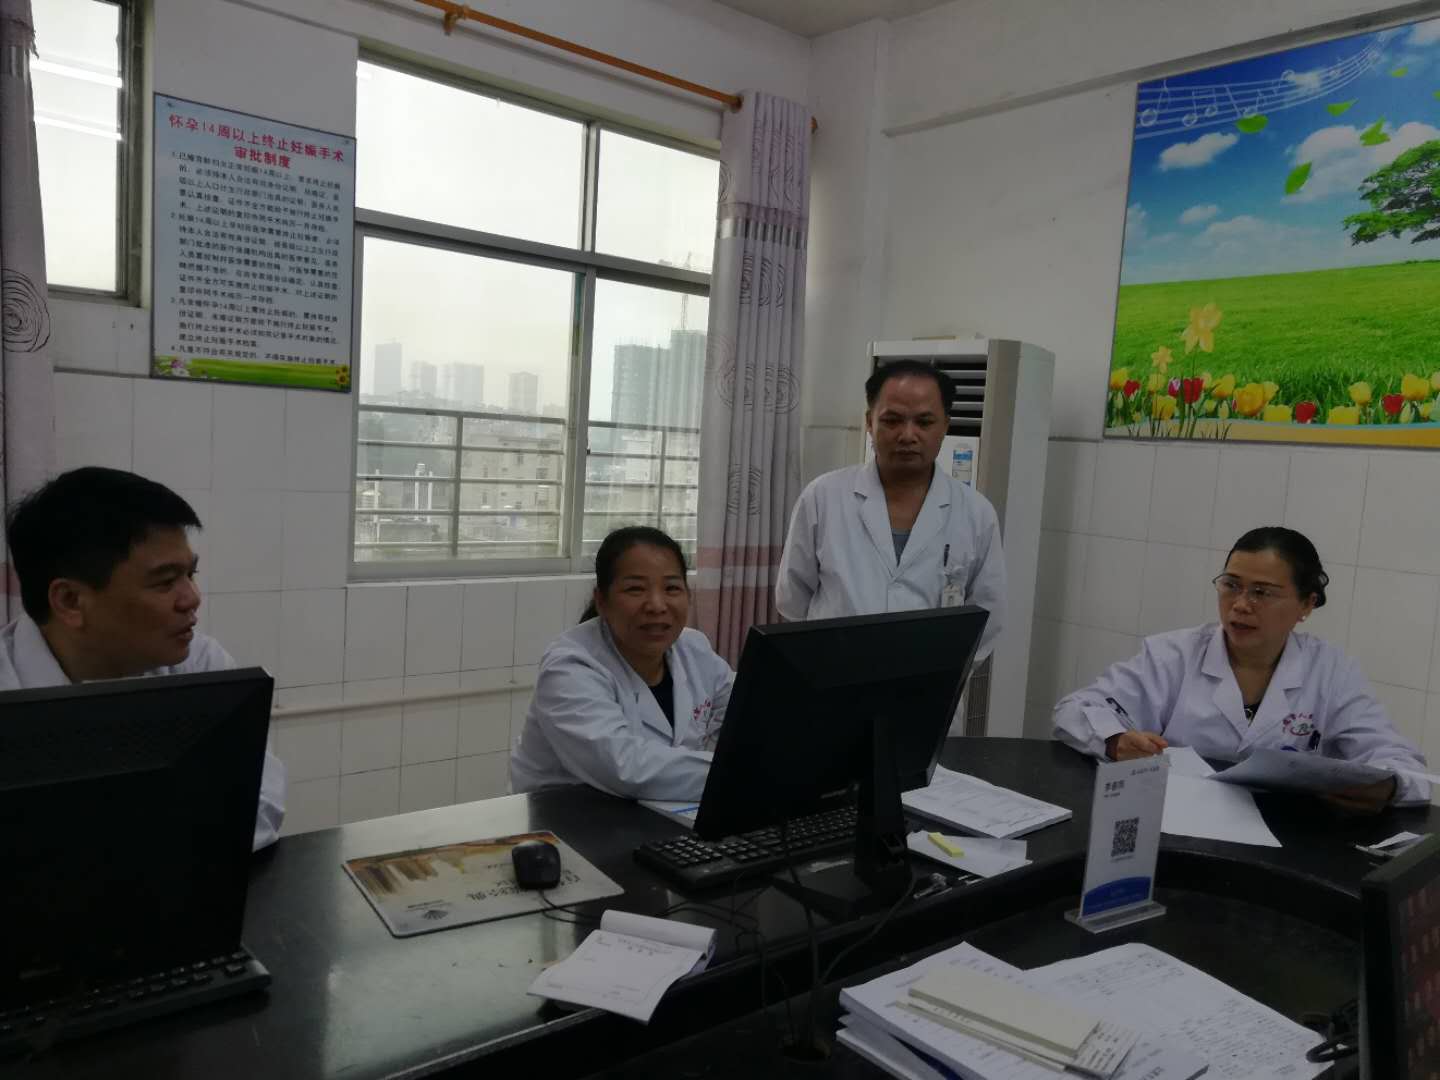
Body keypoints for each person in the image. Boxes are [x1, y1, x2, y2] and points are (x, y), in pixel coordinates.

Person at [2, 467, 286, 848]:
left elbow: (259, 803)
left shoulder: (200, 666)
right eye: (166, 581)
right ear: (70, 601)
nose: (192, 598)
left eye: (191, 574)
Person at [1053, 526, 1428, 811]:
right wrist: (1115, 740)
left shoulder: (1330, 671)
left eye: (1262, 592)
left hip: (1290, 840)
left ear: (1306, 604)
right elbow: (1075, 710)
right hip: (1177, 826)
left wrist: (1388, 787)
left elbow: (1404, 765)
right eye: (1231, 585)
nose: (1240, 604)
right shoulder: (1174, 654)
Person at [776, 360, 1006, 659]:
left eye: (924, 422)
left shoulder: (976, 513)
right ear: (870, 422)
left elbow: (987, 614)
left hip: (929, 681)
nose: (907, 435)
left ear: (945, 426)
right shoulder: (823, 497)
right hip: (833, 675)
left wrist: (942, 673)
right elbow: (792, 598)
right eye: (892, 420)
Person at [510, 526, 734, 801]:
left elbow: (745, 715)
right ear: (602, 601)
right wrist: (742, 772)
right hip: (565, 817)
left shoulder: (694, 649)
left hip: (662, 811)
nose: (657, 605)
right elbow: (626, 767)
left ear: (688, 595)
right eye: (635, 589)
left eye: (672, 588)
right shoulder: (570, 667)